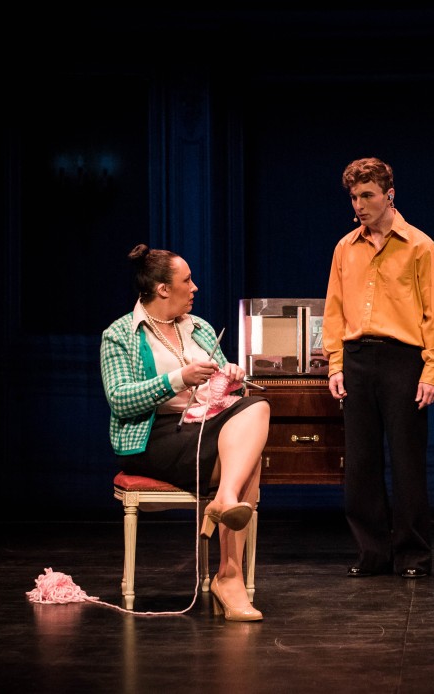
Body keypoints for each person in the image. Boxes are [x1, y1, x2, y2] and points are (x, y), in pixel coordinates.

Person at [100, 244, 270, 621]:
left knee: (257, 406)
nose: (195, 287)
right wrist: (178, 379)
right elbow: (120, 400)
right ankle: (230, 577)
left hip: (203, 425)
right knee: (249, 462)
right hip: (153, 436)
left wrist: (232, 377)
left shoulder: (200, 328)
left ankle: (224, 502)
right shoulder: (120, 334)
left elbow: (226, 393)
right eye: (187, 280)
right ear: (163, 289)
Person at [322, 157, 434, 580]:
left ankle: (413, 554)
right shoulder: (344, 247)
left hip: (403, 360)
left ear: (389, 195)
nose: (359, 205)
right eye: (353, 197)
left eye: (367, 195)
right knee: (360, 463)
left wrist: (432, 370)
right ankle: (372, 552)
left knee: (407, 461)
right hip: (357, 358)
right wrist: (336, 364)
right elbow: (334, 310)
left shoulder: (420, 246)